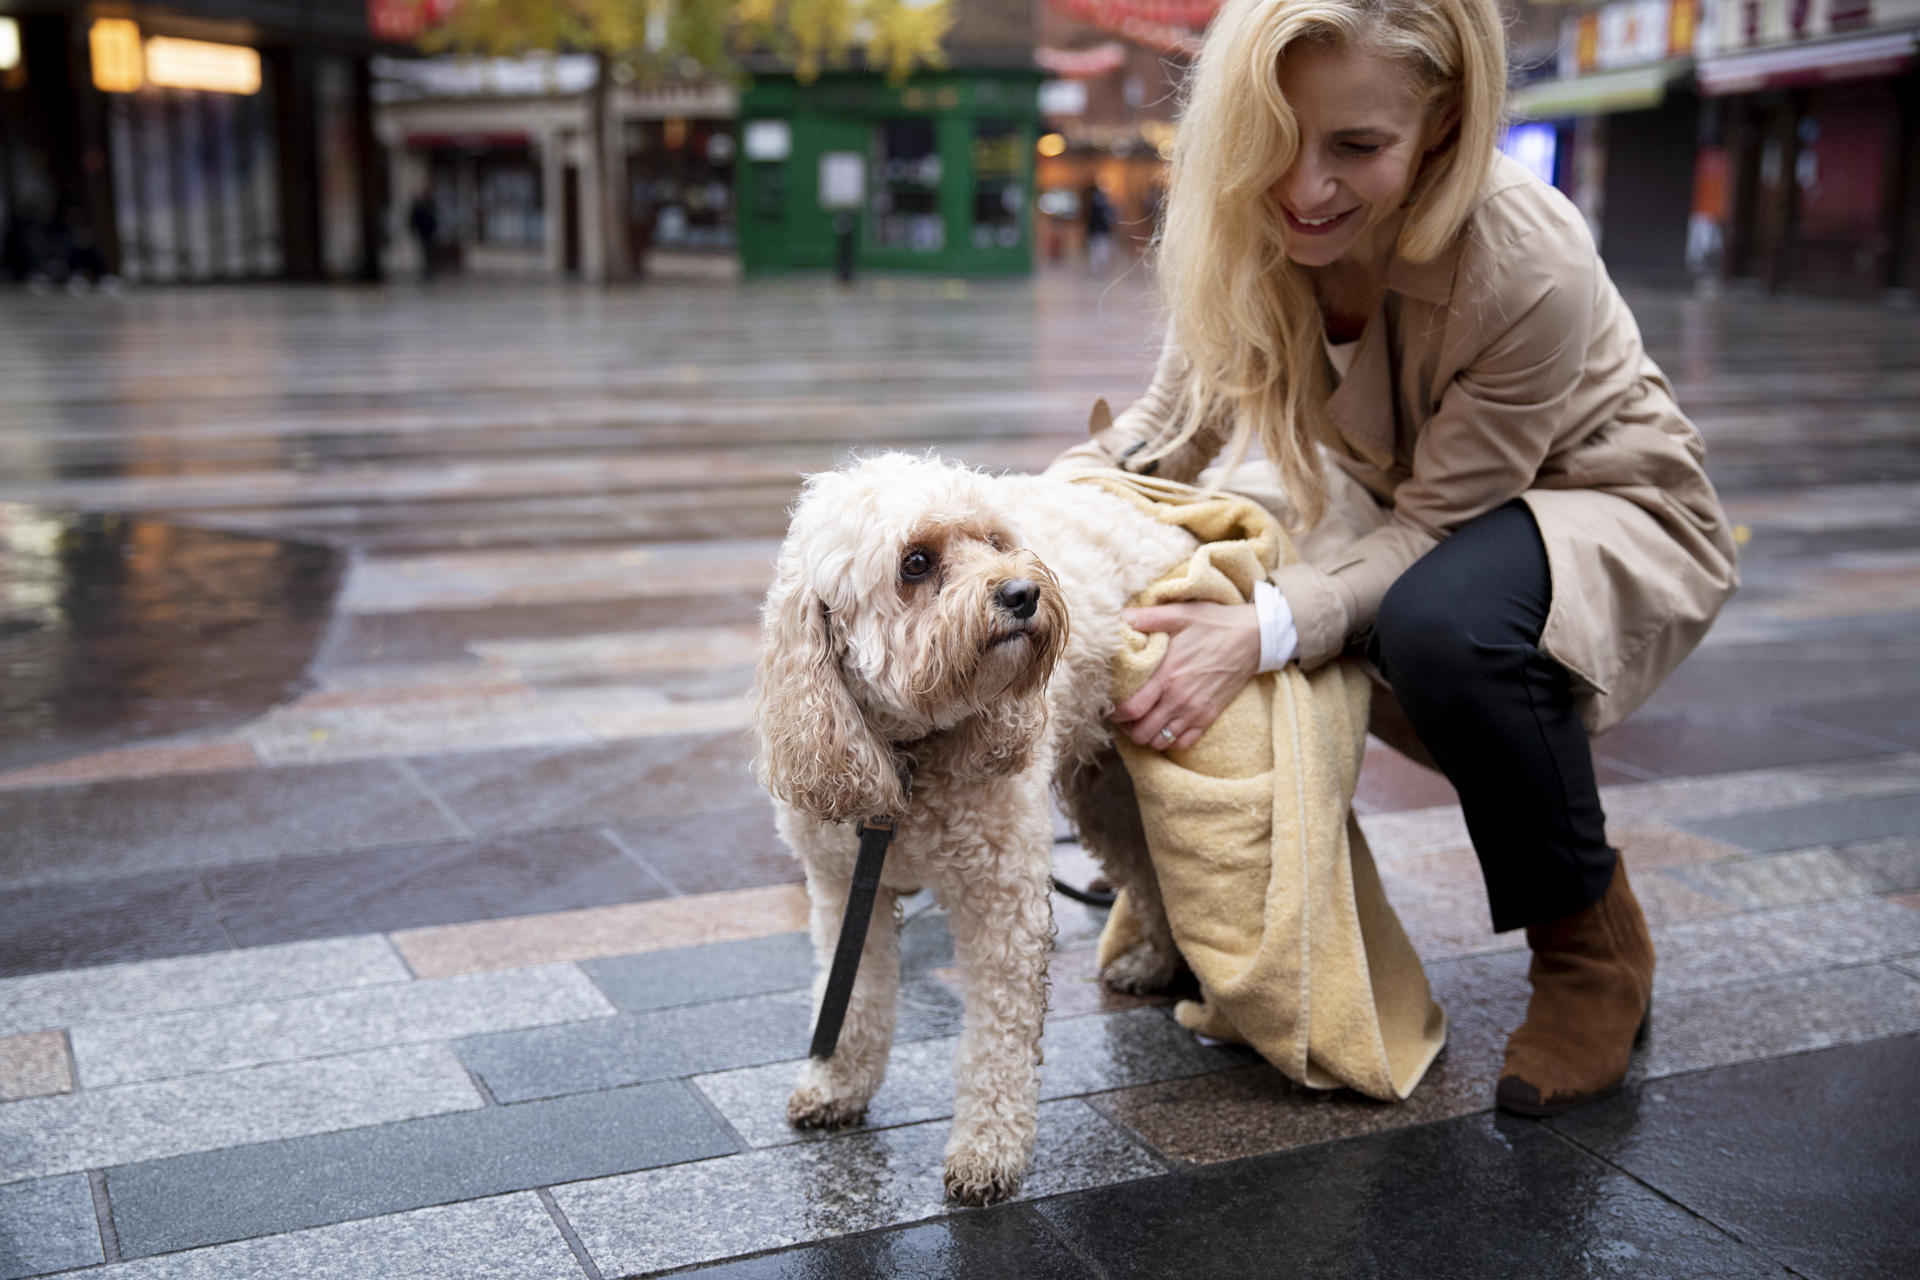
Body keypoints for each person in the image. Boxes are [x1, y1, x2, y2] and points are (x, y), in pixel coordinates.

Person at [1051, 0, 1738, 1116]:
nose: (1302, 189)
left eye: (1356, 148)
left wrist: (1263, 626)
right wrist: (1025, 527)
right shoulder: (1249, 209)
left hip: (1599, 500)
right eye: (1276, 136)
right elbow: (1165, 433)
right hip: (1423, 516)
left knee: (1432, 626)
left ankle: (1589, 946)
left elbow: (1434, 532)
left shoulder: (1527, 252)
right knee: (1351, 613)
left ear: (1444, 121)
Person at [1082, 180, 1114, 273]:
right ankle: (1098, 269)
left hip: (1099, 231)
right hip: (1097, 231)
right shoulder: (1094, 205)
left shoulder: (1096, 205)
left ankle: (1099, 269)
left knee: (1100, 251)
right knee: (1098, 251)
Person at [407, 190, 439, 281]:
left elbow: (433, 218)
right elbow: (414, 219)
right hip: (424, 233)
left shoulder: (429, 205)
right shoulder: (420, 206)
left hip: (429, 232)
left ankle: (429, 270)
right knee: (425, 252)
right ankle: (427, 271)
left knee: (428, 252)